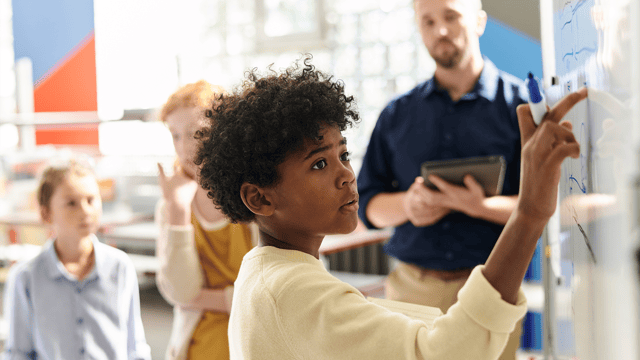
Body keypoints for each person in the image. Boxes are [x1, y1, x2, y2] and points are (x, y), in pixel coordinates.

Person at [194, 55, 588, 359]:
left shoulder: (268, 268)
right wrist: (530, 213)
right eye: (318, 163)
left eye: (343, 154)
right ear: (260, 198)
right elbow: (444, 354)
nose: (347, 175)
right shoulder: (292, 289)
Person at [356, 0, 528, 357]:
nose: (441, 31)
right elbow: (368, 208)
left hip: (492, 286)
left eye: (451, 17)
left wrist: (481, 206)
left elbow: (541, 206)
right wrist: (408, 204)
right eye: (428, 21)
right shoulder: (396, 114)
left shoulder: (521, 109)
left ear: (479, 22)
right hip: (412, 292)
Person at [3, 159, 151, 360]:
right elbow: (19, 353)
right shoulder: (26, 277)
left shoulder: (120, 267)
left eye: (91, 200)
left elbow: (135, 346)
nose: (85, 211)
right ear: (46, 213)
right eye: (71, 203)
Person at [155, 80, 258, 360]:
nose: (184, 148)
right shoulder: (172, 205)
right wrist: (177, 212)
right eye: (175, 135)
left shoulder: (256, 196)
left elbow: (275, 296)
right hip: (197, 350)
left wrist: (206, 299)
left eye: (197, 133)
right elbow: (181, 290)